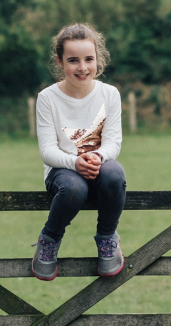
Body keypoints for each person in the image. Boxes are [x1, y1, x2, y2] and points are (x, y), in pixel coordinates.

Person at [31, 23, 126, 281]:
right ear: (60, 62)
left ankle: (107, 238)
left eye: (88, 59)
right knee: (75, 188)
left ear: (98, 60)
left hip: (99, 168)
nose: (82, 67)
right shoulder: (47, 98)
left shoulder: (110, 94)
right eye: (73, 60)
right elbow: (47, 150)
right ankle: (49, 239)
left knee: (115, 173)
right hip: (62, 172)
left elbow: (113, 143)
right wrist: (74, 162)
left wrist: (97, 157)